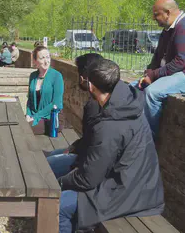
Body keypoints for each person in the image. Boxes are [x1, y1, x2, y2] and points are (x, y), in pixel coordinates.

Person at [47, 58, 164, 233]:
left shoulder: (110, 125)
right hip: (142, 186)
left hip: (129, 193)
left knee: (58, 206)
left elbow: (88, 179)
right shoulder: (127, 101)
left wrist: (58, 183)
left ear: (91, 86)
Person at [135, 0, 185, 135]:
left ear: (168, 12)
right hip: (174, 73)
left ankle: (146, 142)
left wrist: (154, 76)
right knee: (133, 88)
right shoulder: (168, 29)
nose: (153, 18)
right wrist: (149, 73)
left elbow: (181, 61)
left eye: (156, 14)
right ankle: (131, 134)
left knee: (152, 93)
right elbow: (157, 57)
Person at [26, 46, 64, 135]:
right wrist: (28, 114)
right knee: (17, 123)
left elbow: (56, 103)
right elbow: (30, 100)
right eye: (42, 58)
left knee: (24, 129)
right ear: (35, 61)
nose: (46, 61)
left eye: (48, 57)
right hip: (34, 115)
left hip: (52, 118)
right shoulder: (33, 76)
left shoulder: (57, 76)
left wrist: (35, 117)